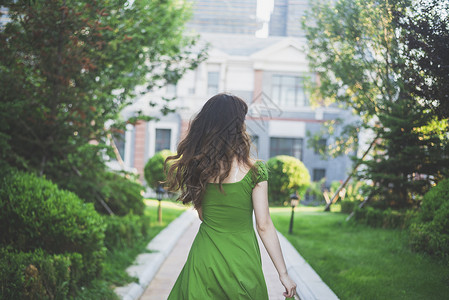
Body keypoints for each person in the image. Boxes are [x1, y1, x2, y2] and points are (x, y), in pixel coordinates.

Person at [165, 93, 297, 299]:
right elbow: (264, 225)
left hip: (204, 260)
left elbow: (202, 216)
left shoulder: (199, 168)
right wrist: (283, 274)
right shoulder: (256, 171)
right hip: (241, 262)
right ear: (238, 128)